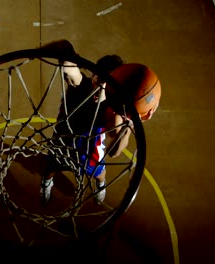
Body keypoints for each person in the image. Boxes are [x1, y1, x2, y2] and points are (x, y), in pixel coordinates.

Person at [38, 40, 160, 204]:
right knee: (50, 169)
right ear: (92, 74)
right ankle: (47, 183)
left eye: (107, 83)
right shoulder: (79, 86)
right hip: (62, 147)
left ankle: (100, 185)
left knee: (100, 174)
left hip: (90, 155)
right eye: (99, 79)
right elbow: (69, 67)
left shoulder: (114, 108)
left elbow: (114, 151)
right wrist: (64, 51)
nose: (101, 87)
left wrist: (128, 124)